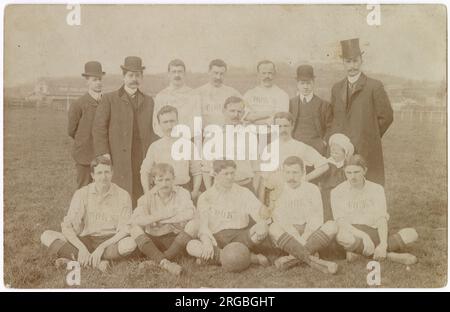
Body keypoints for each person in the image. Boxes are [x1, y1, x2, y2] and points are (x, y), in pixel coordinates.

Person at [40, 157, 136, 272]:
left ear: (112, 173)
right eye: (99, 173)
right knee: (46, 235)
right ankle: (98, 263)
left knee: (130, 244)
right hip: (87, 240)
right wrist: (82, 248)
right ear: (92, 175)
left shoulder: (123, 195)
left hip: (111, 242)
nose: (103, 177)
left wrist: (102, 247)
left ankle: (76, 261)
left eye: (107, 172)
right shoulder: (82, 193)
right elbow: (67, 226)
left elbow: (125, 230)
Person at [93, 56, 158, 208]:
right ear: (123, 77)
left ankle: (137, 224)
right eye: (130, 75)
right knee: (119, 190)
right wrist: (104, 153)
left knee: (140, 189)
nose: (134, 79)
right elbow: (99, 128)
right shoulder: (109, 99)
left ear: (141, 77)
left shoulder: (149, 101)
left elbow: (154, 129)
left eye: (137, 75)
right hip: (118, 155)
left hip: (141, 154)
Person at [328, 38, 393, 185]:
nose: (352, 66)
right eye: (348, 62)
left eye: (355, 61)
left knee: (368, 186)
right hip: (342, 149)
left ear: (361, 60)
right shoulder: (336, 88)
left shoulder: (374, 86)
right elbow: (334, 117)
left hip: (367, 148)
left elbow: (387, 116)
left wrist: (370, 135)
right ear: (343, 63)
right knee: (342, 188)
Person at [332, 155, 418, 264]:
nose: (352, 177)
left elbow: (381, 218)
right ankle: (389, 255)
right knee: (342, 236)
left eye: (356, 172)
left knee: (412, 234)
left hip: (374, 231)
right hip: (353, 233)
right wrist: (364, 237)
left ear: (365, 171)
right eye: (349, 173)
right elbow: (341, 222)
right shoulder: (337, 191)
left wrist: (383, 244)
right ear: (344, 172)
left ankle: (362, 253)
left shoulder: (376, 189)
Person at [186, 160, 270, 267]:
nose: (230, 177)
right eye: (226, 174)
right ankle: (249, 258)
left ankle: (214, 259)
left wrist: (262, 220)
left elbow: (257, 211)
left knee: (262, 228)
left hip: (240, 238)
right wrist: (207, 243)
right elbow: (203, 226)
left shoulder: (243, 192)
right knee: (191, 245)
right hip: (217, 239)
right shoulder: (206, 196)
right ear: (215, 175)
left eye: (232, 173)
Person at [267, 156, 338, 270]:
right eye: (288, 172)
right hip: (289, 234)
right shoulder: (278, 190)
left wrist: (305, 237)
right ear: (283, 173)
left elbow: (317, 217)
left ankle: (291, 259)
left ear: (303, 172)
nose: (291, 177)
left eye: (295, 172)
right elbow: (280, 219)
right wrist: (296, 237)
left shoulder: (312, 189)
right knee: (273, 228)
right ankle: (317, 262)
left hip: (310, 234)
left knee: (332, 226)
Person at [130, 163, 197, 275]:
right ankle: (166, 262)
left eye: (167, 180)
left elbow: (190, 213)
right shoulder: (146, 197)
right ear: (154, 180)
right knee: (134, 229)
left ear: (174, 180)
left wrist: (166, 220)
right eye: (160, 180)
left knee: (194, 225)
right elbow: (136, 220)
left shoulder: (182, 193)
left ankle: (158, 260)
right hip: (154, 240)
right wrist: (161, 216)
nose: (164, 184)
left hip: (175, 239)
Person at [258, 112, 329, 204]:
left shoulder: (300, 147)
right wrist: (261, 203)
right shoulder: (269, 148)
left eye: (286, 126)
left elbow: (324, 165)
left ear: (292, 126)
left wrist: (304, 179)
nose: (283, 129)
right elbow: (264, 178)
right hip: (276, 196)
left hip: (297, 196)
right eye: (279, 126)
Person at [141, 105, 202, 201]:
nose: (169, 126)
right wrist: (147, 193)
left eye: (172, 121)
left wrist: (194, 192)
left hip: (183, 190)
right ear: (159, 124)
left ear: (177, 122)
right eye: (165, 122)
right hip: (161, 192)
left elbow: (197, 171)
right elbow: (144, 172)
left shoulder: (188, 145)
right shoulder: (155, 146)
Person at [201, 96, 259, 193]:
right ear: (224, 111)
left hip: (245, 187)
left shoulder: (250, 135)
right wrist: (210, 192)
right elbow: (206, 168)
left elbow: (257, 169)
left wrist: (253, 192)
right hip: (220, 188)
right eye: (232, 111)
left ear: (243, 113)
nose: (236, 115)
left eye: (239, 111)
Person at [68, 61, 105, 189]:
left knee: (102, 188)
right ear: (87, 81)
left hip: (102, 154)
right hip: (84, 155)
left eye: (100, 79)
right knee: (84, 189)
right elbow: (71, 130)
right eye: (94, 80)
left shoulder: (107, 102)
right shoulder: (78, 104)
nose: (98, 82)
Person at [152, 59, 202, 137]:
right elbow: (156, 124)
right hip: (166, 140)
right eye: (174, 72)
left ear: (184, 74)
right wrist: (167, 138)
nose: (177, 75)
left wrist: (184, 138)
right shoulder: (161, 96)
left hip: (187, 140)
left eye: (180, 72)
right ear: (168, 74)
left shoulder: (194, 95)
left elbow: (197, 123)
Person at [289, 64, 331, 156]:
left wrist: (324, 142)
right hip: (295, 144)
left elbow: (330, 127)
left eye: (308, 83)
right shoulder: (291, 103)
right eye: (302, 83)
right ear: (297, 84)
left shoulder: (324, 105)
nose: (305, 87)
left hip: (316, 146)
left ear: (313, 83)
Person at [195, 59, 241, 128]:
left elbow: (244, 113)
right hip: (207, 134)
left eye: (221, 74)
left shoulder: (233, 92)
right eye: (215, 73)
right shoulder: (198, 92)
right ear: (209, 72)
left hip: (228, 133)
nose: (218, 77)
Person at [320, 133, 354, 222]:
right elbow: (319, 174)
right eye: (331, 152)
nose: (333, 155)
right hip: (328, 191)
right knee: (328, 208)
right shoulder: (328, 163)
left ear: (345, 153)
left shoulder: (346, 165)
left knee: (343, 208)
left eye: (336, 153)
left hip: (343, 192)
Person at [243, 60, 289, 125]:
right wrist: (270, 113)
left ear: (274, 74)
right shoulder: (249, 94)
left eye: (270, 73)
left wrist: (253, 120)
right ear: (258, 74)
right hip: (252, 133)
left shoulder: (282, 95)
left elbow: (280, 120)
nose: (267, 76)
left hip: (272, 133)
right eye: (263, 73)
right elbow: (244, 115)